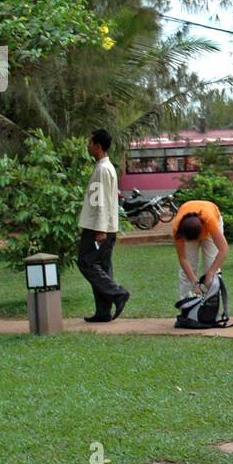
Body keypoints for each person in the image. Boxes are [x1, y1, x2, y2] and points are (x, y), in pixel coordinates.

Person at [76, 129, 130, 322]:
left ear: (98, 146)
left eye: (90, 143)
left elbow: (100, 202)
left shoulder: (101, 170)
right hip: (106, 226)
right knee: (103, 268)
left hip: (99, 228)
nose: (88, 146)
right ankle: (103, 312)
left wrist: (99, 228)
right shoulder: (107, 168)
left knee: (86, 262)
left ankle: (118, 293)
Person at [172, 198, 229, 299]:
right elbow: (183, 259)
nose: (195, 242)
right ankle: (187, 309)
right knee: (188, 270)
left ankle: (212, 307)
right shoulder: (178, 229)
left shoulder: (210, 221)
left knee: (212, 268)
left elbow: (223, 249)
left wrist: (211, 273)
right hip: (189, 225)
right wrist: (195, 283)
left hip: (211, 215)